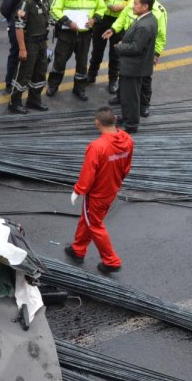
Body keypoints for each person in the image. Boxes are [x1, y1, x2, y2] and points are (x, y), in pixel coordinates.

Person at [65, 106, 134, 274]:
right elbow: (127, 167)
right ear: (115, 120)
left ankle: (111, 261)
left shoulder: (97, 147)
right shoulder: (127, 140)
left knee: (94, 224)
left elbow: (88, 174)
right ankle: (78, 249)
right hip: (112, 189)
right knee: (88, 219)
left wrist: (78, 190)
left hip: (97, 194)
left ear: (97, 123)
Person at [47, 0, 106, 101]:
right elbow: (54, 9)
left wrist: (94, 19)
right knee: (60, 61)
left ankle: (79, 89)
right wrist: (68, 22)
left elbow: (101, 9)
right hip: (67, 33)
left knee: (82, 63)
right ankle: (53, 86)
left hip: (85, 34)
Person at [108, 0, 166, 118]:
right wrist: (113, 29)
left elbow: (161, 36)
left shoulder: (158, 12)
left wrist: (156, 54)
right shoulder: (135, 2)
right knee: (124, 73)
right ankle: (121, 96)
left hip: (143, 48)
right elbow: (122, 18)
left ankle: (144, 105)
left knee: (145, 80)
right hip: (129, 39)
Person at [88, 0, 142, 94]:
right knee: (97, 50)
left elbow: (137, 1)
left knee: (115, 53)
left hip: (120, 21)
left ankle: (113, 80)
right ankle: (91, 75)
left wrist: (123, 6)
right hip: (102, 18)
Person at [8, 0, 54, 115]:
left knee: (40, 72)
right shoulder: (26, 1)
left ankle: (34, 99)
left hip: (41, 42)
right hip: (30, 43)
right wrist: (22, 49)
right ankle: (14, 103)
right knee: (24, 74)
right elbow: (19, 27)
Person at [113, 0, 157, 133]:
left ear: (145, 6)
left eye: (136, 4)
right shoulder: (149, 18)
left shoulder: (144, 25)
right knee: (129, 95)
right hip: (136, 66)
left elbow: (136, 48)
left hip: (133, 67)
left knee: (130, 97)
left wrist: (119, 46)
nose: (133, 6)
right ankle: (127, 118)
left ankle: (131, 124)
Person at [0, 0, 45, 89]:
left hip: (34, 30)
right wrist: (14, 21)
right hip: (17, 28)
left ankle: (24, 81)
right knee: (16, 54)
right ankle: (10, 83)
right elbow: (4, 9)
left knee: (31, 56)